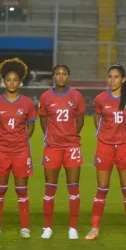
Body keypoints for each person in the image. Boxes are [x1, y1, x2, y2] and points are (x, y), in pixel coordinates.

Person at [85, 64, 126, 241]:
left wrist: (125, 136)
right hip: (105, 146)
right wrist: (107, 135)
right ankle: (94, 229)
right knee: (102, 188)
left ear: (123, 79)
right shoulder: (100, 99)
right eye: (110, 76)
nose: (112, 80)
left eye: (116, 77)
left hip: (124, 147)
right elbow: (97, 121)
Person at [0, 58, 37, 239]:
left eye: (15, 80)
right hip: (1, 150)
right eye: (8, 79)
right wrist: (0, 140)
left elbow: (31, 125)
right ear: (4, 81)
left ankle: (24, 227)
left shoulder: (27, 103)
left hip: (21, 151)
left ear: (20, 82)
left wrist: (21, 140)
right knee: (0, 189)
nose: (11, 83)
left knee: (22, 189)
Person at [39, 64, 85, 240]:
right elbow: (43, 123)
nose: (61, 76)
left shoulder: (76, 96)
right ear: (53, 76)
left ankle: (73, 227)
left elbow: (80, 121)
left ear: (68, 76)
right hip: (53, 147)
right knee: (50, 187)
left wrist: (70, 136)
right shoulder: (45, 97)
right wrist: (54, 137)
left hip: (72, 146)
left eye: (64, 74)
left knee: (73, 187)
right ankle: (47, 227)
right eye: (58, 74)